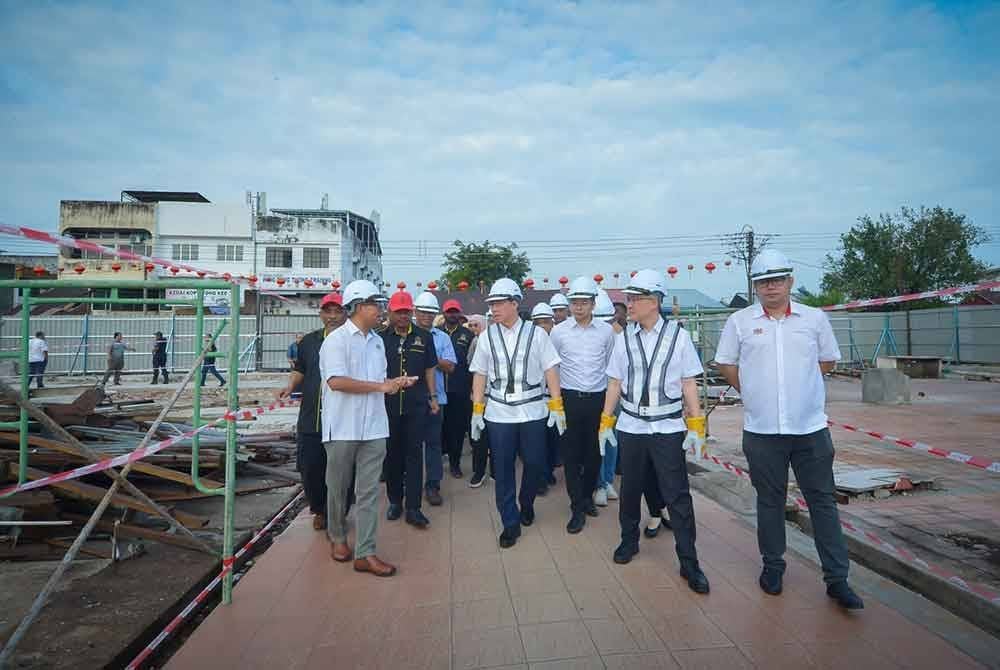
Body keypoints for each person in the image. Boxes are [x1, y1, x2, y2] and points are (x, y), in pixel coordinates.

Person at [715, 249, 863, 609]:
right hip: (762, 432)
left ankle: (837, 579)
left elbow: (826, 362)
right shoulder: (740, 322)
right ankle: (773, 567)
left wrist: (800, 391)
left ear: (790, 281)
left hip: (809, 430)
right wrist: (752, 392)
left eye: (777, 280)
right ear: (755, 286)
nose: (770, 287)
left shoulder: (813, 320)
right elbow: (726, 365)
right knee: (769, 502)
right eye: (763, 282)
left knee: (822, 502)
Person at [600, 269, 710, 595]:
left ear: (655, 301)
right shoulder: (623, 339)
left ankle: (689, 562)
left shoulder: (679, 337)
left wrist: (696, 425)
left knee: (676, 494)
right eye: (628, 298)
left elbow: (689, 382)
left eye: (635, 298)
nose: (628, 304)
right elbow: (615, 383)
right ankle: (628, 541)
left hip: (667, 426)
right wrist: (606, 421)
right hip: (632, 425)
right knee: (631, 489)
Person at [320, 280, 415, 577]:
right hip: (343, 427)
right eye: (377, 304)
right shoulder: (335, 341)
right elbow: (336, 381)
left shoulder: (377, 342)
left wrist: (394, 384)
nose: (381, 310)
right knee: (338, 488)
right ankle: (337, 537)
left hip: (374, 427)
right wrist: (382, 386)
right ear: (360, 306)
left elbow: (380, 383)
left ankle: (366, 552)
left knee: (369, 492)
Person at [470, 278, 564, 548]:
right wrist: (478, 410)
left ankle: (527, 502)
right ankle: (509, 522)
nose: (494, 308)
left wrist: (556, 406)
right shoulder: (487, 336)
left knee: (535, 463)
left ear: (514, 303)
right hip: (499, 413)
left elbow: (551, 369)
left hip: (533, 410)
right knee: (503, 467)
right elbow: (480, 373)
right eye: (491, 304)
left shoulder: (537, 334)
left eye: (499, 303)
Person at [278, 292, 350, 530]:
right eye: (327, 311)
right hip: (311, 416)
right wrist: (289, 387)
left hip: (341, 417)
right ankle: (319, 509)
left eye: (337, 311)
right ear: (320, 314)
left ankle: (337, 513)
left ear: (345, 313)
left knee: (341, 470)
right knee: (310, 467)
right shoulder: (309, 341)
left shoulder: (352, 341)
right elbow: (300, 369)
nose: (332, 316)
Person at [549, 276, 615, 534]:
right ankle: (577, 507)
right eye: (574, 302)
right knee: (572, 456)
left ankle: (587, 496)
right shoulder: (559, 331)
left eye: (583, 302)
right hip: (569, 399)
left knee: (595, 455)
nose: (578, 307)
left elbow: (611, 366)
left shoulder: (606, 332)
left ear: (593, 303)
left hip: (598, 400)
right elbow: (552, 366)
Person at [380, 291, 439, 529]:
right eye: (398, 311)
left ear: (412, 312)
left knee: (414, 455)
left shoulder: (424, 337)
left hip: (416, 405)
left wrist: (433, 397)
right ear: (390, 312)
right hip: (387, 406)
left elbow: (430, 370)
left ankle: (414, 508)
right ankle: (395, 501)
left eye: (406, 311)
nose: (403, 315)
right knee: (392, 456)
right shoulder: (380, 338)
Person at [413, 291, 457, 506]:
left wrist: (429, 356)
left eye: (431, 313)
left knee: (433, 444)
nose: (426, 317)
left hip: (436, 399)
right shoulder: (405, 334)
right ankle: (407, 485)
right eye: (422, 312)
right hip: (408, 399)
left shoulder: (442, 338)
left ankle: (432, 485)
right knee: (407, 445)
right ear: (415, 312)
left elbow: (450, 367)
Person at [592, 289, 621, 507]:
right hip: (595, 393)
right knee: (597, 441)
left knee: (611, 440)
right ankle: (599, 483)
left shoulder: (621, 336)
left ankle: (608, 480)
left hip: (616, 394)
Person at [442, 299, 475, 479]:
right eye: (449, 311)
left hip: (459, 389)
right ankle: (439, 460)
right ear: (444, 313)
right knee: (440, 428)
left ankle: (455, 464)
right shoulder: (436, 333)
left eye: (455, 311)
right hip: (439, 389)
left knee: (457, 429)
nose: (452, 315)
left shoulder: (467, 335)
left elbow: (472, 363)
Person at [530, 302, 559, 494]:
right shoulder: (530, 342)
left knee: (554, 440)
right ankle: (539, 478)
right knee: (537, 442)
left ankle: (548, 471)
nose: (542, 326)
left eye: (546, 322)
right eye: (538, 323)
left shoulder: (559, 340)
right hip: (537, 400)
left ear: (552, 323)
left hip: (555, 399)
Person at [465, 314, 492, 487]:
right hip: (481, 394)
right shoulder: (478, 341)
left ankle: (497, 470)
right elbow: (472, 367)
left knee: (498, 435)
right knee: (479, 435)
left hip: (500, 397)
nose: (474, 328)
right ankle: (479, 471)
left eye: (477, 324)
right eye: (471, 325)